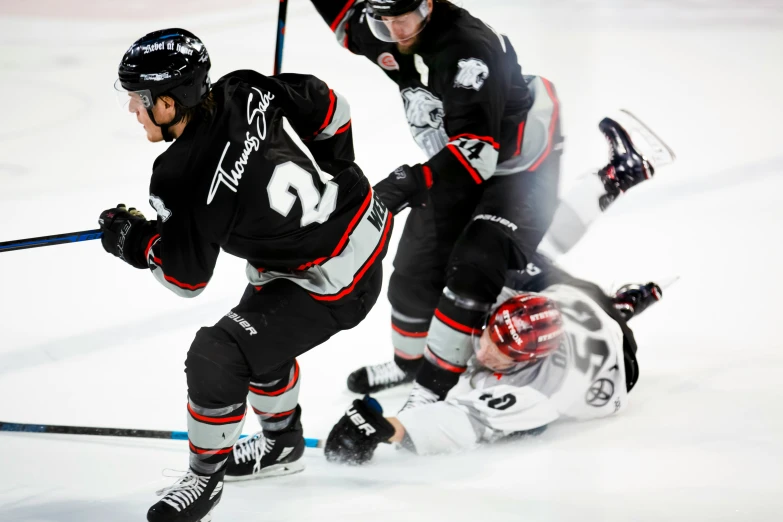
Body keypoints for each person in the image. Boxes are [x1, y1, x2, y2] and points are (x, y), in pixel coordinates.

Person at [102, 28, 392, 522]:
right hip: (362, 225)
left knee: (217, 353)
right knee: (254, 331)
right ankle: (281, 447)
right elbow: (331, 106)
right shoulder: (245, 88)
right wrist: (336, 167)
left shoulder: (179, 176)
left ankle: (203, 479)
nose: (133, 108)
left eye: (139, 97)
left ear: (169, 103)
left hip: (330, 283)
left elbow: (185, 279)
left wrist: (136, 241)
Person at [309, 0, 656, 406]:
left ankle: (428, 394)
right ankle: (410, 365)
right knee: (415, 270)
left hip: (520, 161)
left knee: (479, 264)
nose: (396, 31)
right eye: (384, 22)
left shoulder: (467, 48)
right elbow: (347, 20)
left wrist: (410, 180)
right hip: (459, 157)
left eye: (403, 18)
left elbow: (478, 153)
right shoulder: (383, 26)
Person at [323, 255, 663, 463]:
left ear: (526, 362)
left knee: (523, 426)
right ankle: (411, 362)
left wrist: (388, 430)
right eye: (489, 338)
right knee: (497, 254)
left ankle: (623, 307)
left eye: (500, 356)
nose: (483, 352)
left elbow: (465, 420)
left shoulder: (539, 391)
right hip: (574, 295)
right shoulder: (510, 304)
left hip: (617, 355)